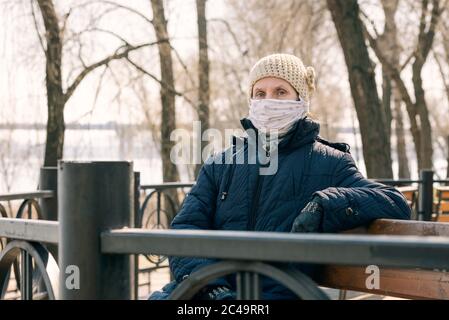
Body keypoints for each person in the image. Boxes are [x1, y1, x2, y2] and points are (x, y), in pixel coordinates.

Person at [149, 53, 411, 300]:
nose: (268, 101)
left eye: (280, 92)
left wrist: (327, 204)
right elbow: (185, 229)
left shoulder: (329, 163)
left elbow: (394, 202)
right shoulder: (222, 163)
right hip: (211, 294)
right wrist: (210, 288)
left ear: (301, 100)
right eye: (260, 93)